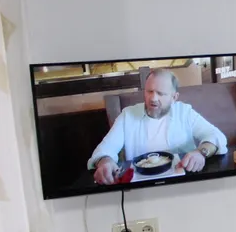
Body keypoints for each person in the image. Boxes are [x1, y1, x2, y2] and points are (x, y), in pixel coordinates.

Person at [88, 68, 228, 185]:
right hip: (141, 187)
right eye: (149, 91)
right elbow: (105, 148)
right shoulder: (128, 115)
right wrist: (105, 162)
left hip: (183, 181)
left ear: (174, 97)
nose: (153, 98)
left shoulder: (184, 112)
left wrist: (201, 152)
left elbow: (216, 136)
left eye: (161, 93)